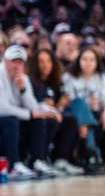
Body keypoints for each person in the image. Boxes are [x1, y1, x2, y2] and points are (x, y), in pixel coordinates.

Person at [0, 44, 61, 179]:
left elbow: (32, 106)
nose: (17, 65)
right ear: (5, 60)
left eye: (20, 61)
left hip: (14, 122)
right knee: (11, 119)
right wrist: (30, 114)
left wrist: (23, 90)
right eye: (13, 61)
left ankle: (37, 161)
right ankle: (13, 165)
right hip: (4, 121)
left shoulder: (24, 78)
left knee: (40, 120)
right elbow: (3, 109)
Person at [25, 46, 83, 174]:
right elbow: (32, 106)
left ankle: (61, 160)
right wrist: (54, 108)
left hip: (55, 117)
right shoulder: (31, 82)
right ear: (35, 64)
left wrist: (58, 106)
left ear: (53, 63)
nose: (45, 65)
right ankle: (40, 159)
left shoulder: (56, 82)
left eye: (48, 61)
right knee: (50, 121)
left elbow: (62, 106)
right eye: (41, 61)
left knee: (71, 120)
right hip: (38, 120)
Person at [62, 46, 105, 171]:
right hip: (75, 114)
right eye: (85, 59)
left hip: (93, 114)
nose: (88, 63)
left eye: (92, 60)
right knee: (81, 103)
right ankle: (90, 151)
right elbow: (71, 101)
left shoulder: (101, 77)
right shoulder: (68, 77)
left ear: (96, 62)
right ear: (78, 61)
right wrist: (89, 103)